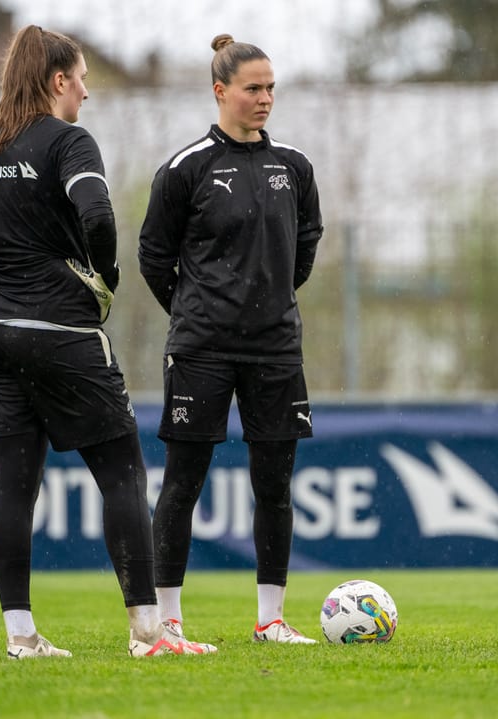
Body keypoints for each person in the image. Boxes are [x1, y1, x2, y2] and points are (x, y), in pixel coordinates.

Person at [0, 25, 215, 659]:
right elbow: (97, 214)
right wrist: (105, 278)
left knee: (14, 483)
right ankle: (149, 633)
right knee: (122, 471)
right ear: (58, 81)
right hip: (60, 328)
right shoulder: (69, 140)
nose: (88, 93)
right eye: (84, 78)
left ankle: (21, 636)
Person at [138, 34, 323, 645]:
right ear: (220, 91)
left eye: (271, 88)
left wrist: (266, 303)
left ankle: (270, 618)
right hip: (201, 351)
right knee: (183, 482)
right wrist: (196, 312)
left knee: (274, 486)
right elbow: (152, 256)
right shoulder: (186, 167)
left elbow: (304, 249)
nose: (266, 98)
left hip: (275, 350)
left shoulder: (294, 166)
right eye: (253, 88)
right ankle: (168, 622)